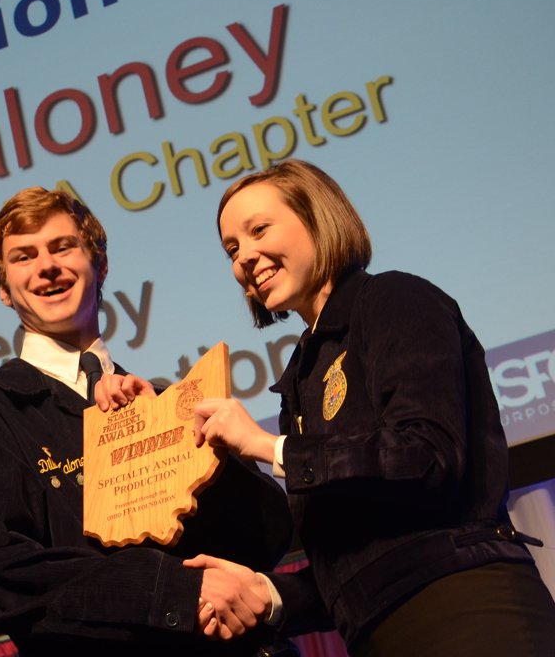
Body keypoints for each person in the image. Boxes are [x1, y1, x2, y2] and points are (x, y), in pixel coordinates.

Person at [148, 159, 555, 656]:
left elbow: (427, 456)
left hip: (467, 607)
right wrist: (266, 592)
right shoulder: (301, 375)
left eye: (259, 230)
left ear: (317, 218)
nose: (244, 258)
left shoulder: (394, 298)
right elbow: (355, 568)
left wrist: (270, 447)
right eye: (231, 249)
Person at [0, 186, 294, 656]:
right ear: (5, 290)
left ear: (101, 264)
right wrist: (172, 590)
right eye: (24, 256)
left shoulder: (167, 402)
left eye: (62, 247)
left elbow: (268, 537)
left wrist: (198, 449)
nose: (46, 266)